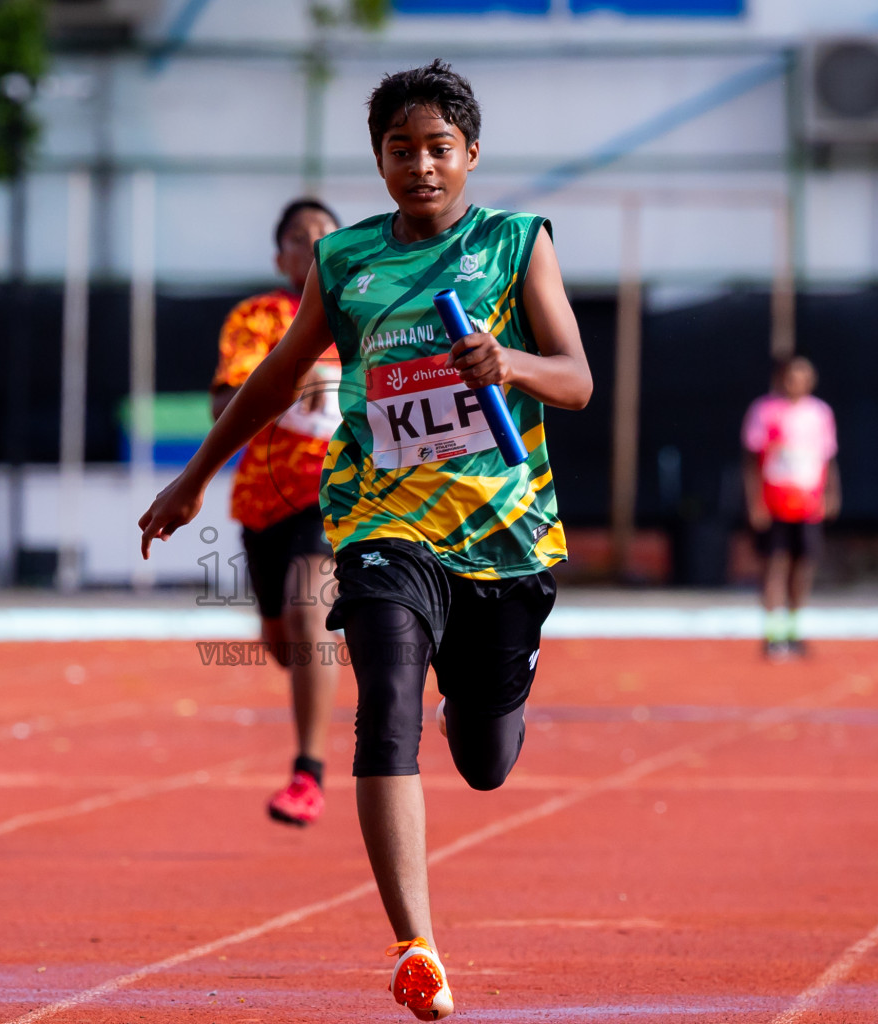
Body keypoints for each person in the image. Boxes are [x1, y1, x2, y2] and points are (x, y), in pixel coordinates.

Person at [141, 60, 590, 1020]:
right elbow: (275, 375)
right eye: (401, 149)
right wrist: (194, 476)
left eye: (438, 148)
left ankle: (482, 695)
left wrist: (509, 362)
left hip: (502, 535)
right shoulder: (345, 261)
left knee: (484, 761)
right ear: (379, 162)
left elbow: (577, 380)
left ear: (471, 154)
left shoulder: (516, 242)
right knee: (385, 701)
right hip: (382, 519)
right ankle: (415, 947)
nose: (421, 165)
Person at [211, 197, 344, 826]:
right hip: (264, 501)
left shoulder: (366, 314)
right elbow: (222, 405)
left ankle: (308, 772)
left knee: (309, 611)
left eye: (324, 234)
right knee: (284, 642)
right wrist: (294, 376)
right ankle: (316, 660)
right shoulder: (257, 317)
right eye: (298, 236)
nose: (312, 244)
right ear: (279, 257)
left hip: (335, 494)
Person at [742, 355, 841, 660]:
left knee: (803, 565)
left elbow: (828, 458)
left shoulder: (820, 413)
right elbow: (750, 461)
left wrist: (832, 494)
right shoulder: (764, 410)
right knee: (775, 564)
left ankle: (795, 631)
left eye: (804, 377)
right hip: (774, 502)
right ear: (781, 378)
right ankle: (774, 634)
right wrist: (755, 502)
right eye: (792, 377)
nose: (797, 383)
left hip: (808, 504)